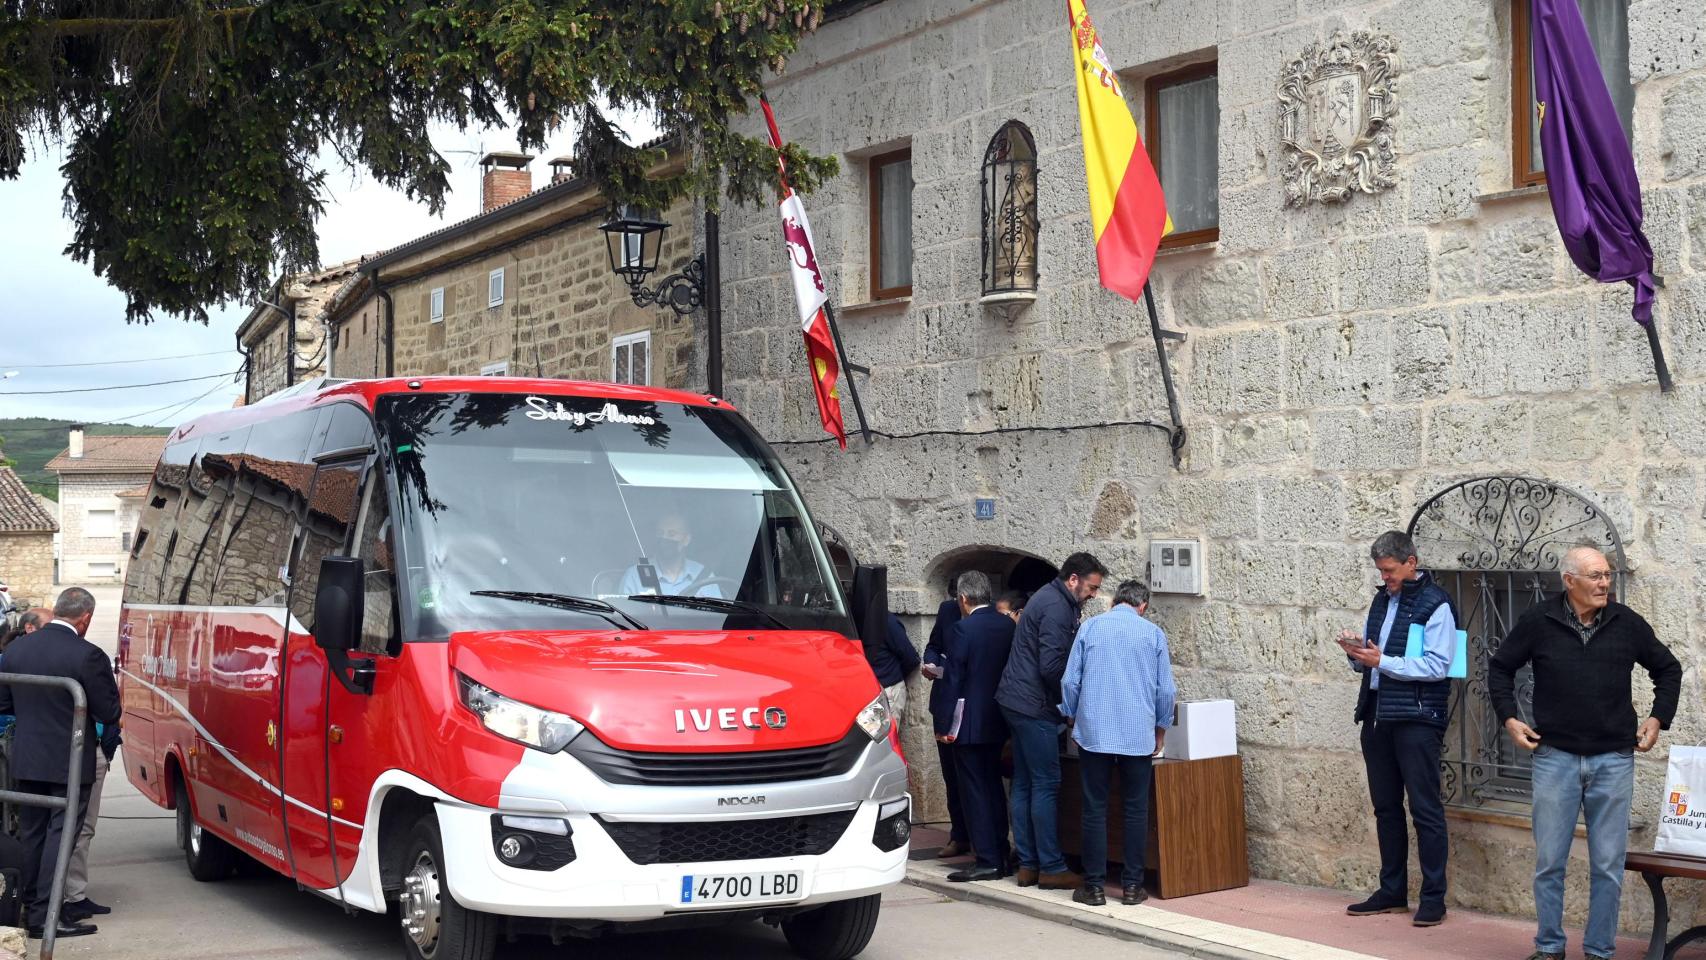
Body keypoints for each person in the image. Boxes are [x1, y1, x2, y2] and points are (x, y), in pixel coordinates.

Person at [1490, 545, 1681, 960]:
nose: (1604, 583)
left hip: (1613, 759)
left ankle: (1599, 952)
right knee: (1550, 864)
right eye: (1595, 576)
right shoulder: (1539, 620)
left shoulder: (1626, 623)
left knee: (1608, 867)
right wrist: (1509, 717)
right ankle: (1549, 948)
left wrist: (1657, 718)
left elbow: (1668, 667)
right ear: (1569, 581)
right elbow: (1500, 666)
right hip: (1554, 757)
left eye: (1607, 575)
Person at [1337, 531, 1457, 928]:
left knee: (1424, 809)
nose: (1385, 577)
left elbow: (1439, 666)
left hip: (1417, 719)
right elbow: (1378, 661)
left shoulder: (1436, 603)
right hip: (1376, 715)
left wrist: (1382, 661)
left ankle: (1433, 898)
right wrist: (1359, 655)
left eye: (1389, 570)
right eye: (1380, 571)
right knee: (1386, 807)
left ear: (1410, 562)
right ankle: (1392, 891)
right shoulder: (1380, 600)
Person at [0, 587, 120, 939]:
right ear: (86, 618)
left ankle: (32, 909)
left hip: (27, 758)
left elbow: (4, 703)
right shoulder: (88, 655)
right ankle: (46, 919)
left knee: (33, 835)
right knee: (61, 838)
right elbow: (109, 711)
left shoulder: (17, 648)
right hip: (70, 761)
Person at [995, 551, 1107, 890]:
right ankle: (1052, 867)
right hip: (1034, 706)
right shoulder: (1058, 608)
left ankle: (1028, 864)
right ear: (1073, 579)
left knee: (1026, 783)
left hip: (1015, 700)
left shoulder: (1046, 597)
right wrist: (1070, 703)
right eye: (1091, 587)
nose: (1093, 594)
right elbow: (1052, 668)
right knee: (1045, 783)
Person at [1060, 580, 1175, 907]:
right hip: (1137, 734)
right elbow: (1165, 692)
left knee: (1094, 808)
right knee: (1135, 809)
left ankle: (1093, 887)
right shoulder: (1153, 634)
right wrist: (1161, 728)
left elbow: (1070, 680)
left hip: (1094, 733)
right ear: (1143, 606)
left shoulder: (1090, 629)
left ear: (1114, 602)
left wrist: (1071, 713)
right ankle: (1131, 887)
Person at [938, 572, 1015, 883]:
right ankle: (1001, 852)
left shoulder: (963, 628)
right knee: (994, 788)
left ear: (963, 599)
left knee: (974, 791)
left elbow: (953, 679)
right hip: (999, 717)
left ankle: (987, 859)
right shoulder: (1006, 625)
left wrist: (944, 724)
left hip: (969, 722)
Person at [922, 576, 969, 859]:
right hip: (944, 703)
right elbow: (934, 644)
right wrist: (932, 663)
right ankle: (959, 834)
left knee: (973, 777)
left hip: (971, 706)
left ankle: (979, 836)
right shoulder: (947, 611)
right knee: (951, 775)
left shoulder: (988, 617)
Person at [618, 511, 721, 597]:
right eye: (660, 533)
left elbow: (718, 617)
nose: (665, 538)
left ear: (686, 540)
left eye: (672, 534)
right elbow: (622, 617)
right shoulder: (635, 575)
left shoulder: (704, 576)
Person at [866, 613, 920, 719]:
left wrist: (895, 674)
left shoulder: (887, 622)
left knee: (886, 734)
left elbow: (910, 658)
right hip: (871, 691)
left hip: (887, 690)